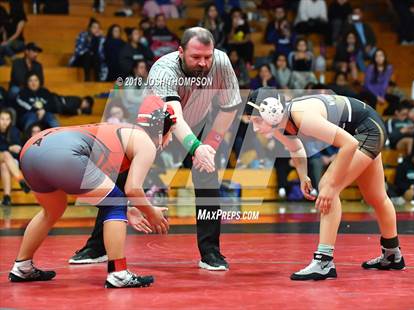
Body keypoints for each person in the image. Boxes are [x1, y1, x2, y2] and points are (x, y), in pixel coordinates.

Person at [69, 27, 241, 271]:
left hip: (200, 121)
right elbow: (174, 116)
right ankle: (97, 246)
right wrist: (195, 147)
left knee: (207, 175)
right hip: (159, 123)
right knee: (123, 176)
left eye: (207, 57)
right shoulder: (163, 69)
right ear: (180, 52)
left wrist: (209, 147)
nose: (203, 63)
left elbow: (229, 106)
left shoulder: (221, 62)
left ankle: (210, 252)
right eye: (196, 57)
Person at [9, 95, 175, 288]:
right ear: (161, 128)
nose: (170, 138)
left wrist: (128, 208)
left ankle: (22, 266)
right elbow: (132, 189)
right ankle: (118, 274)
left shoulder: (124, 133)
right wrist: (150, 211)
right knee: (115, 202)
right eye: (171, 132)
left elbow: (104, 189)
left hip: (32, 149)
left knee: (53, 210)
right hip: (63, 153)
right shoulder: (145, 142)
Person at [246, 87, 405, 280]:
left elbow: (349, 144)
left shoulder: (303, 116)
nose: (254, 128)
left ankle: (324, 261)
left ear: (271, 111)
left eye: (256, 120)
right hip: (367, 127)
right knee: (376, 196)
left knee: (328, 186)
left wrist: (331, 186)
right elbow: (295, 148)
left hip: (366, 131)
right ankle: (392, 254)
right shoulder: (279, 123)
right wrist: (303, 175)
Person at [0, 108, 30, 207]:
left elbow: (18, 151)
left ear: (10, 120)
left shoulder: (14, 131)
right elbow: (8, 149)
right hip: (8, 159)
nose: (5, 122)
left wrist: (11, 149)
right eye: (2, 119)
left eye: (7, 119)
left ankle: (7, 198)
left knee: (4, 165)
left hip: (10, 162)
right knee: (6, 154)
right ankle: (21, 180)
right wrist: (8, 148)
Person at [0, 0, 26, 65]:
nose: (10, 7)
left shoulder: (21, 18)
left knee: (4, 46)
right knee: (2, 48)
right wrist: (4, 40)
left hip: (19, 42)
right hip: (9, 42)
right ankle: (3, 64)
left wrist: (7, 41)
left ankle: (16, 60)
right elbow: (4, 31)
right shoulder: (8, 17)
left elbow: (17, 34)